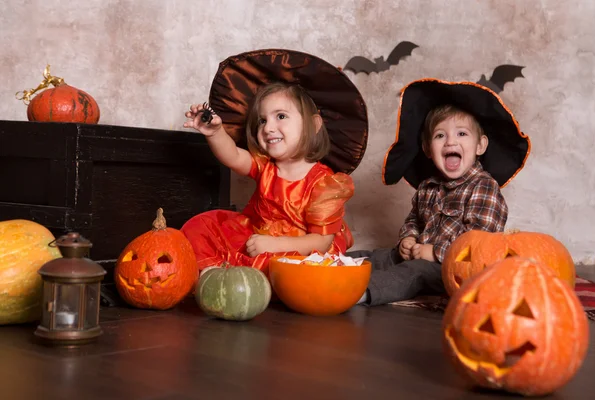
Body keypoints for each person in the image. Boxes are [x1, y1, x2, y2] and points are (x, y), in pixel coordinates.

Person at [180, 49, 368, 275]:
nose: (268, 128)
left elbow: (320, 242)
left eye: (280, 116)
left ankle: (243, 279)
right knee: (202, 225)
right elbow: (233, 156)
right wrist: (214, 133)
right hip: (258, 235)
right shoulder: (265, 166)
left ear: (314, 124)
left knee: (292, 268)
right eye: (262, 120)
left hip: (301, 248)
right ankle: (213, 273)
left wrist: (275, 245)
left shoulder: (325, 184)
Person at [350, 78, 531, 306]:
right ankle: (325, 269)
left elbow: (479, 247)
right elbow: (414, 219)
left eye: (462, 134)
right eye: (440, 135)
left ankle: (359, 292)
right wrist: (408, 238)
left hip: (453, 269)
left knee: (413, 272)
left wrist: (435, 252)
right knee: (381, 257)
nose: (450, 142)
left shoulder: (484, 187)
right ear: (428, 149)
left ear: (480, 146)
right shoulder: (427, 186)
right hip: (419, 254)